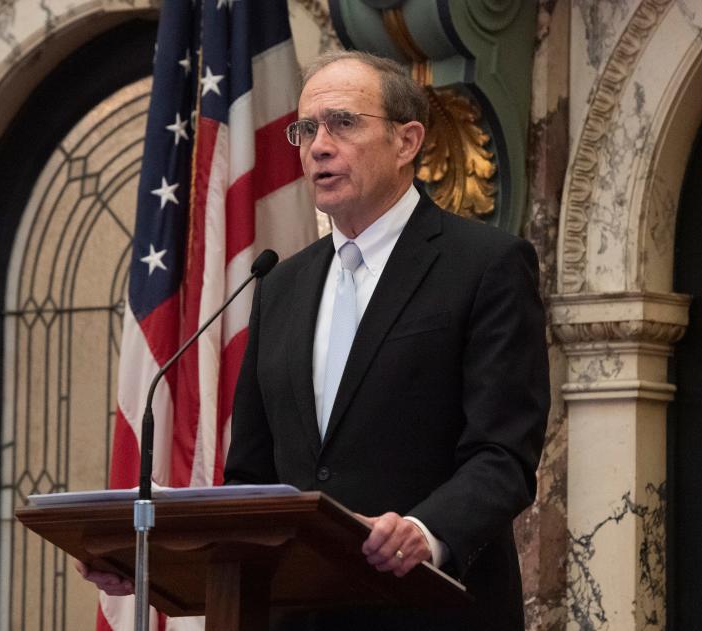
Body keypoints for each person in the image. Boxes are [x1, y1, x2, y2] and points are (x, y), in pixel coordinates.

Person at [81, 50, 549, 630]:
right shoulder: (279, 283)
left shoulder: (485, 265)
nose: (317, 146)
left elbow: (503, 454)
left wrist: (427, 533)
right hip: (295, 615)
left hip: (431, 611)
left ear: (407, 141)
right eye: (305, 129)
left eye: (343, 124)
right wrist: (150, 559)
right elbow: (250, 483)